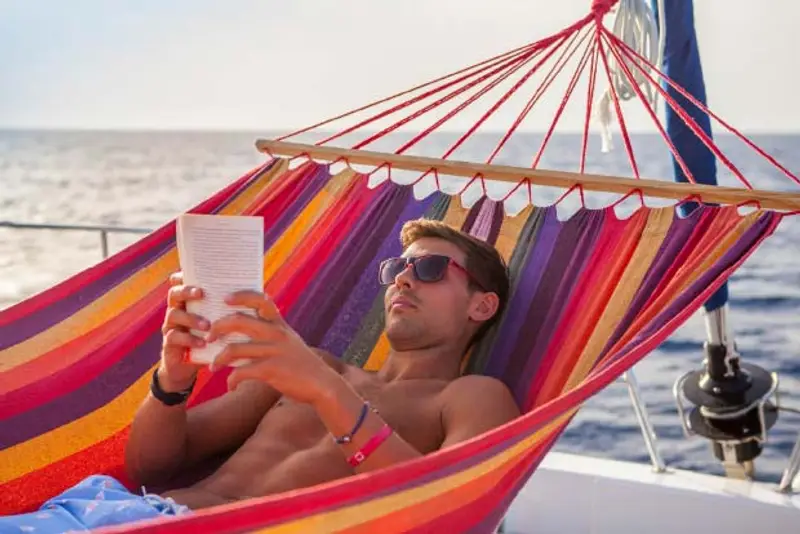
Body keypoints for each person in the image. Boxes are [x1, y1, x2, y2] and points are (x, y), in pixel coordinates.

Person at [0, 219, 521, 532]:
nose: (403, 278)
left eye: (429, 269)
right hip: (117, 511)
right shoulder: (310, 363)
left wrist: (324, 392)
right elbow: (151, 466)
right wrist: (171, 382)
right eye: (397, 269)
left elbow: (450, 511)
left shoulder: (471, 397)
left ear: (482, 305)